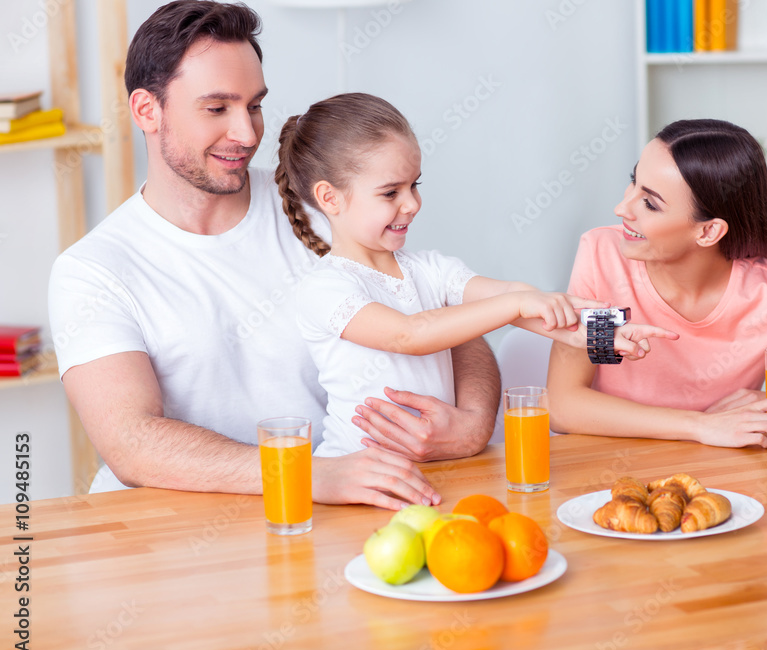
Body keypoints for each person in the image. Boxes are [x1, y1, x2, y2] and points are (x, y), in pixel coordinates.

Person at [47, 1, 498, 509]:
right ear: (147, 111)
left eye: (254, 105)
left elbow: (448, 320)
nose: (246, 134)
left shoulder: (322, 208)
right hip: (172, 530)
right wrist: (306, 474)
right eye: (217, 109)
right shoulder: (92, 271)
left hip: (331, 510)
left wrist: (472, 425)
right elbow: (132, 441)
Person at [274, 93, 673, 456]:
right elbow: (408, 334)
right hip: (354, 471)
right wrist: (517, 301)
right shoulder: (325, 288)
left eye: (415, 185)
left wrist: (603, 333)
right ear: (330, 198)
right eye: (390, 192)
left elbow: (518, 302)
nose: (412, 203)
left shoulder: (430, 268)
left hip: (435, 468)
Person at [547, 119, 767, 448]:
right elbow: (565, 406)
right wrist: (699, 426)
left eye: (649, 203)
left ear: (708, 231)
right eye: (633, 182)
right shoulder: (605, 259)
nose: (622, 207)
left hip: (727, 472)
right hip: (612, 469)